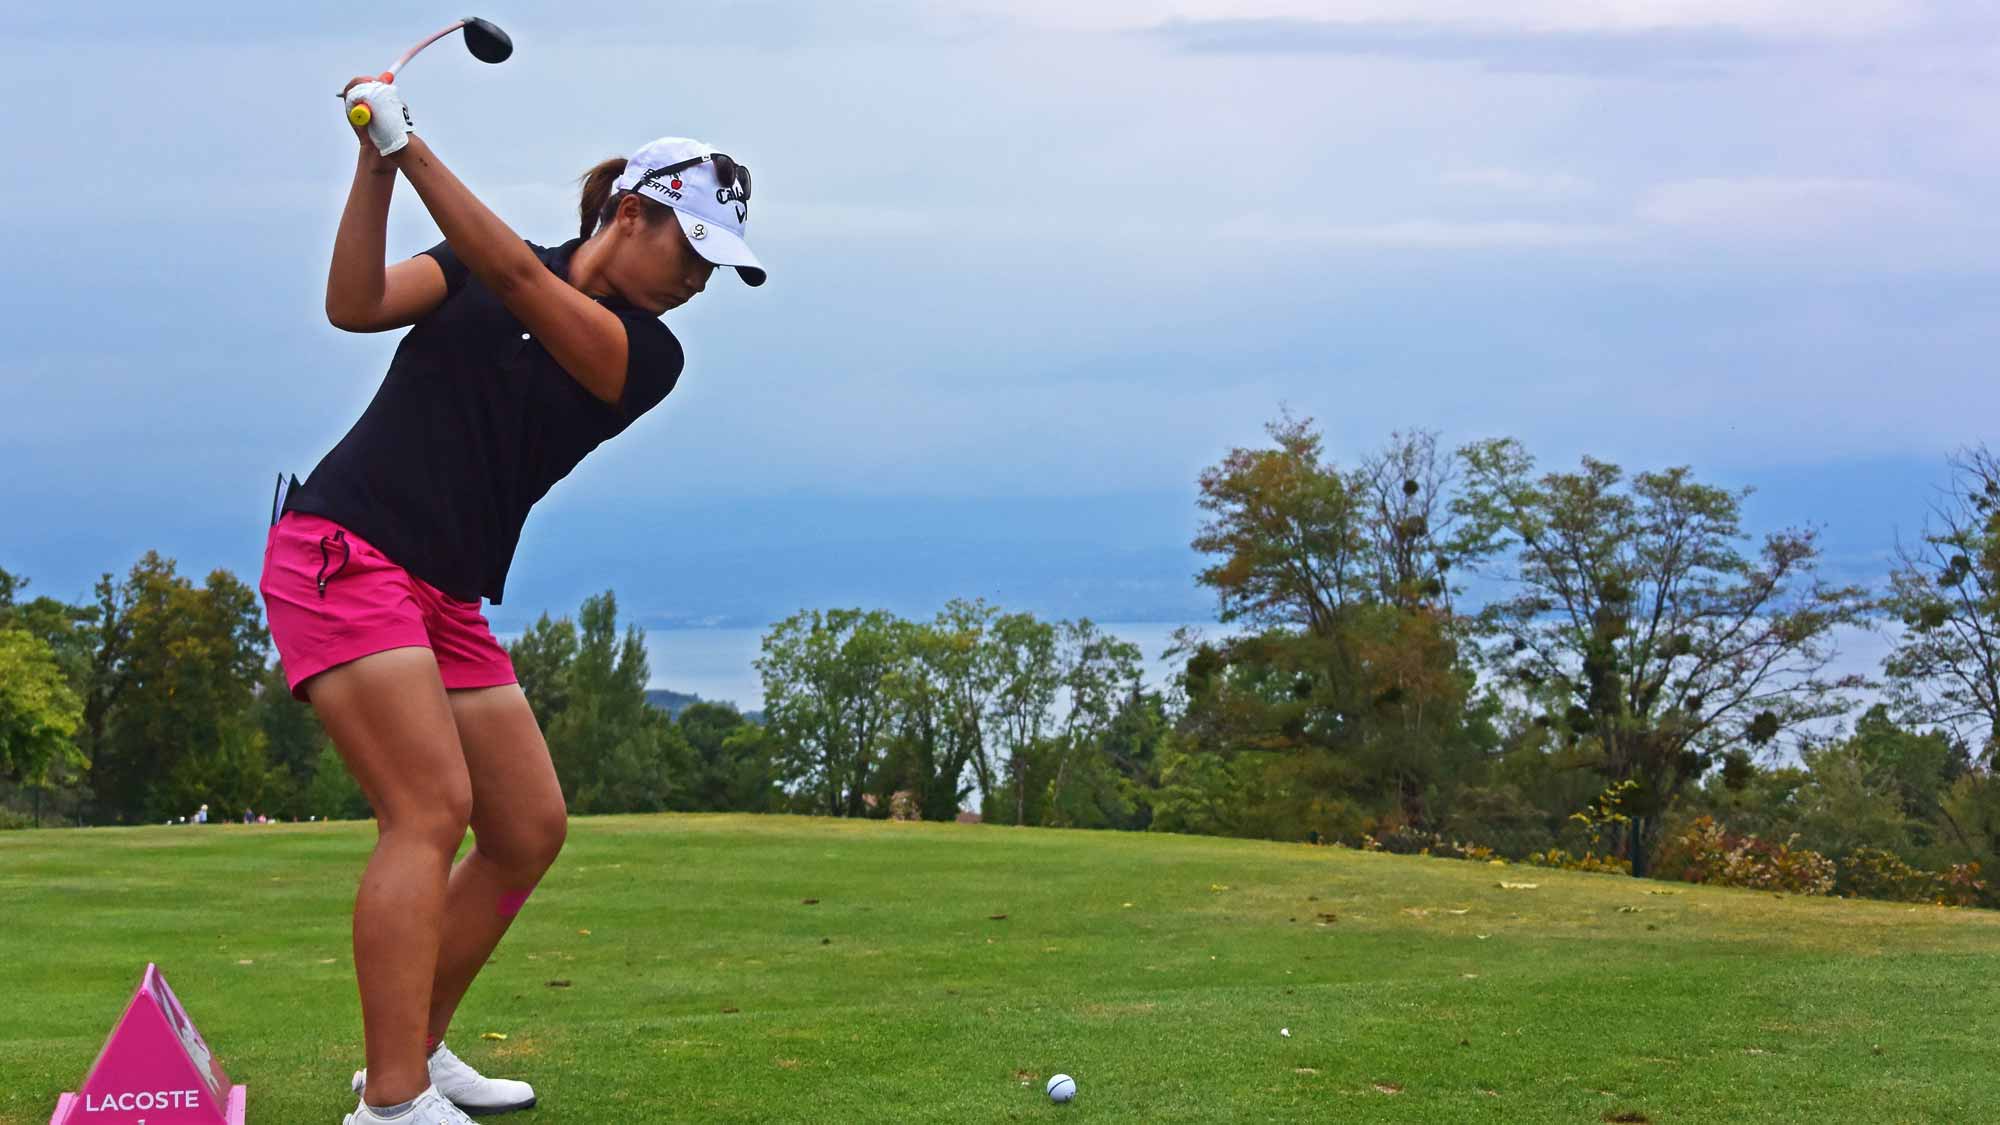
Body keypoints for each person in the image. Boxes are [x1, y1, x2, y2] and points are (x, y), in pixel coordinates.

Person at [257, 73, 764, 1125]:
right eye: (691, 252)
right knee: (430, 808)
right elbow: (353, 305)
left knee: (526, 826)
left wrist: (412, 148)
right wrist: (374, 163)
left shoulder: (645, 355)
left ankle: (417, 1050)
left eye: (716, 269)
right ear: (629, 212)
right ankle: (391, 1103)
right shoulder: (482, 264)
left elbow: (529, 290)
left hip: (439, 591)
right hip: (342, 551)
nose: (697, 284)